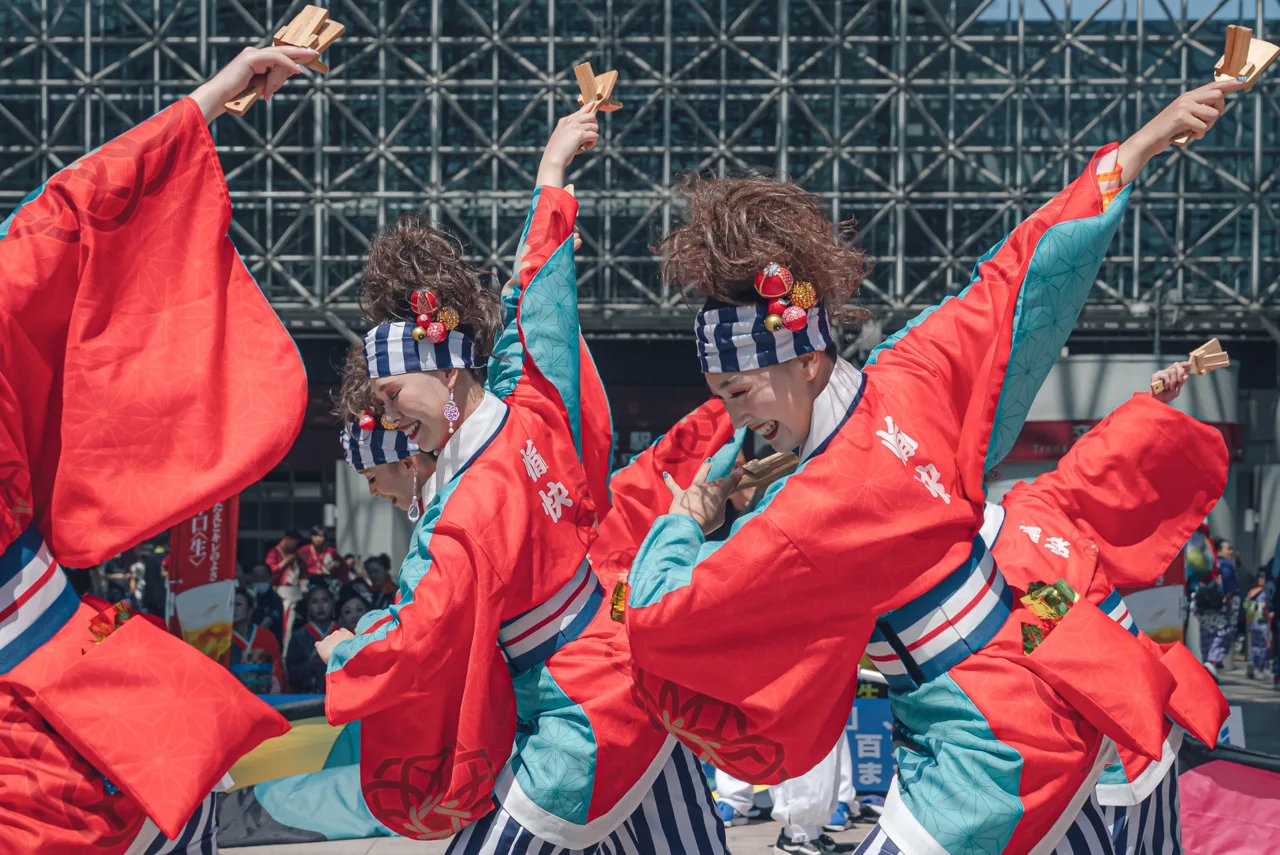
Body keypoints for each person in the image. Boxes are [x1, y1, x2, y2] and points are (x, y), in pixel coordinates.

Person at [617, 82, 1241, 855]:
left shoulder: (812, 504)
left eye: (738, 392)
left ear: (807, 359)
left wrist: (682, 525)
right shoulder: (909, 371)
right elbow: (1017, 276)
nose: (735, 417)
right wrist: (1136, 148)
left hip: (984, 742)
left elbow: (665, 615)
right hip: (1038, 685)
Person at [314, 103, 732, 852]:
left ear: (443, 369)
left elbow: (416, 633)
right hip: (625, 674)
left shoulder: (463, 511)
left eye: (392, 395)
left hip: (576, 714)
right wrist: (552, 173)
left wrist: (346, 650)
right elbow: (536, 304)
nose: (391, 415)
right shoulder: (531, 405)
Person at [0, 43, 314, 852]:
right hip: (67, 682)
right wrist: (210, 98)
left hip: (53, 695)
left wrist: (209, 100)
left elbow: (66, 214)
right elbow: (67, 214)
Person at [231, 588, 286, 695]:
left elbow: (277, 667)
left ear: (250, 609)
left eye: (238, 604)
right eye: (230, 604)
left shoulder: (267, 636)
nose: (233, 609)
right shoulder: (222, 639)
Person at [1200, 537, 1241, 678]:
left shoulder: (1208, 564)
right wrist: (1228, 598)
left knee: (1208, 634)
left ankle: (1207, 662)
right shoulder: (1227, 566)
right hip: (1222, 607)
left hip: (1206, 605)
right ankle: (1212, 661)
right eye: (1228, 549)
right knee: (1224, 634)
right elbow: (1231, 587)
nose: (1231, 552)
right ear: (1218, 551)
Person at [286, 585, 337, 694]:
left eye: (325, 600)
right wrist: (310, 664)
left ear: (332, 604)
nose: (320, 606)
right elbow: (291, 672)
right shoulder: (298, 636)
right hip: (307, 695)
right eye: (315, 602)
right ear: (308, 607)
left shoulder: (342, 633)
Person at [249, 562, 286, 646]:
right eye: (256, 578)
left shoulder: (275, 599)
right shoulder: (249, 597)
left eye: (262, 577)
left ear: (270, 578)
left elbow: (267, 622)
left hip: (269, 643)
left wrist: (252, 640)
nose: (259, 581)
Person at [1244, 570, 1272, 680]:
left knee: (1254, 646)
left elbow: (1246, 605)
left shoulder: (1251, 592)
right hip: (1263, 623)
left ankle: (1252, 665)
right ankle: (1259, 668)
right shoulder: (1265, 593)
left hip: (1252, 622)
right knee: (1262, 646)